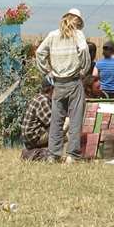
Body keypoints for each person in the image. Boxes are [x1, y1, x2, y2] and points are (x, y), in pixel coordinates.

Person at [36, 9, 91, 162]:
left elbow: (40, 52)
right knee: (75, 120)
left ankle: (53, 154)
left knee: (56, 120)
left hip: (58, 83)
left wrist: (47, 71)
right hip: (74, 81)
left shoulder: (53, 35)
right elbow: (84, 49)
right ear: (78, 22)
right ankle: (72, 155)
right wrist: (84, 70)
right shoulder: (77, 34)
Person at [21, 80, 53, 161]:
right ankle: (59, 155)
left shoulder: (38, 97)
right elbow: (53, 122)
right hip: (34, 137)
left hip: (29, 138)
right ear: (51, 89)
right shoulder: (43, 100)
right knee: (64, 126)